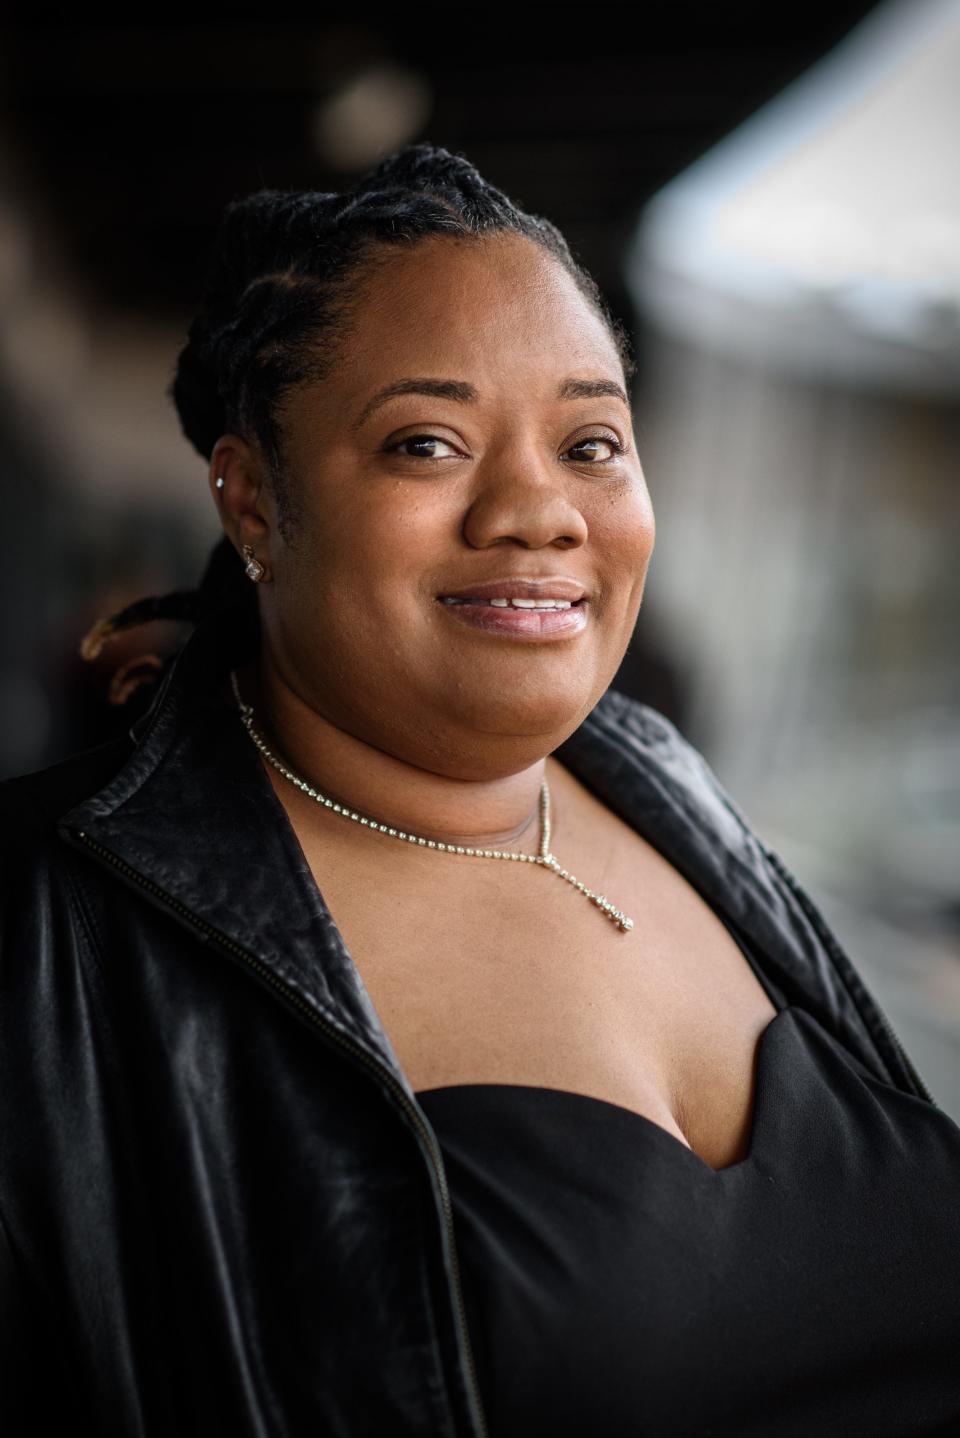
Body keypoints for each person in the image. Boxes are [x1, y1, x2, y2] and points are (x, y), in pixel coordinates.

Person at [1, 143, 957, 1438]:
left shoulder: (672, 793)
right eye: (428, 441)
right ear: (253, 499)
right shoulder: (56, 938)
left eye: (591, 441)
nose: (537, 508)